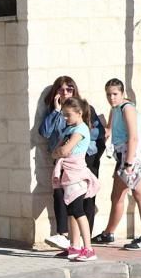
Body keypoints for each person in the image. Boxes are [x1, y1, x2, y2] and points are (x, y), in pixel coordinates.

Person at [37, 76, 105, 251]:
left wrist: (81, 146)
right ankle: (69, 240)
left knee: (83, 203)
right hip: (64, 163)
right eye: (61, 89)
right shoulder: (57, 112)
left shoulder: (83, 112)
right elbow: (45, 132)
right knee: (63, 199)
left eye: (69, 89)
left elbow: (95, 132)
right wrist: (57, 111)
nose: (65, 92)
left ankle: (85, 245)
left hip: (83, 159)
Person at [93, 78, 141, 250]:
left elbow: (133, 136)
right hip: (121, 154)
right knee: (117, 196)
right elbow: (110, 130)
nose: (111, 97)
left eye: (115, 94)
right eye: (108, 94)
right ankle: (108, 233)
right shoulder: (115, 108)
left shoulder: (127, 108)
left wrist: (128, 163)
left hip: (131, 154)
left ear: (122, 93)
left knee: (139, 194)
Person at [51, 97, 100, 261]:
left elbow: (64, 150)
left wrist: (59, 151)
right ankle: (75, 246)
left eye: (68, 115)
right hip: (68, 175)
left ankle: (89, 249)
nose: (65, 118)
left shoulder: (81, 130)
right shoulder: (69, 129)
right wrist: (59, 151)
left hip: (76, 175)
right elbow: (56, 150)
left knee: (79, 211)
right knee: (72, 211)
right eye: (63, 115)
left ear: (79, 113)